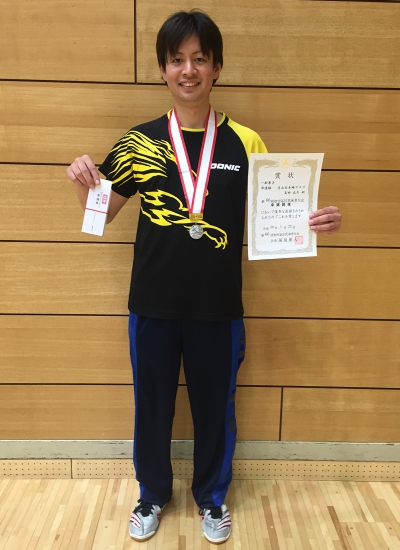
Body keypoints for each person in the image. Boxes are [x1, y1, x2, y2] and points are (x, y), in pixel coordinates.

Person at [67, 9, 342, 544]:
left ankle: (212, 500)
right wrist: (84, 182)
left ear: (217, 67)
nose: (188, 70)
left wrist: (313, 222)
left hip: (217, 307)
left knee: (216, 410)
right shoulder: (139, 141)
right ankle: (151, 495)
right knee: (152, 408)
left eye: (199, 59)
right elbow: (101, 214)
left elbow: (273, 219)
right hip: (152, 304)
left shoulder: (245, 142)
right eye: (177, 60)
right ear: (163, 70)